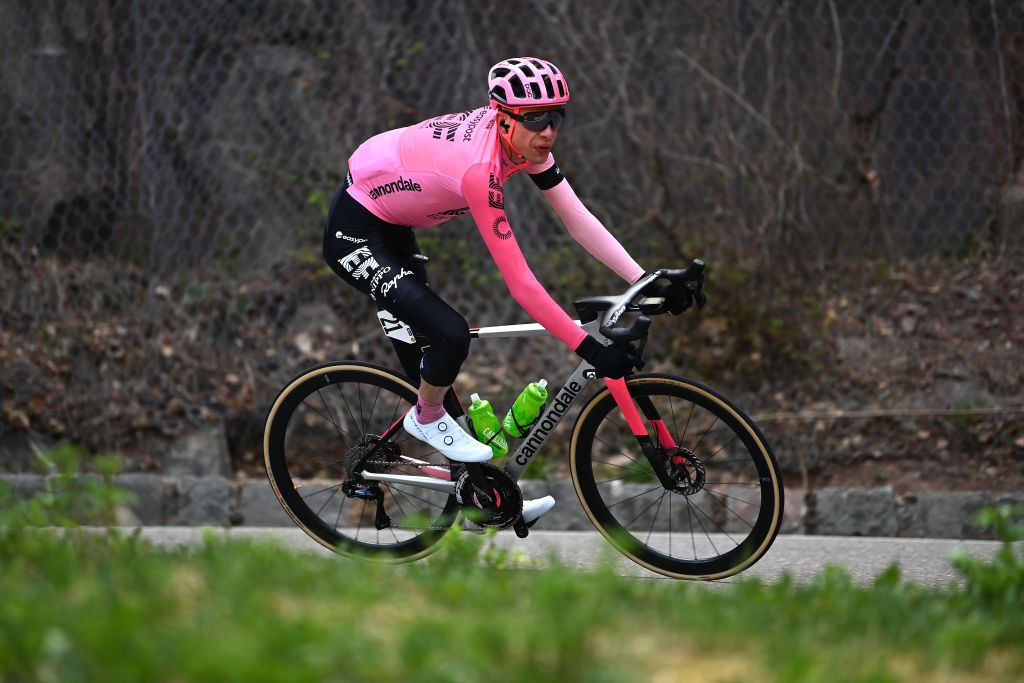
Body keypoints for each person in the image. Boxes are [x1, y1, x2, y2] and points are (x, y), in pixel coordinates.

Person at [324, 57, 661, 524]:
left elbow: (577, 219)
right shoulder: (479, 171)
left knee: (433, 354)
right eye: (537, 119)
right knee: (449, 335)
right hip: (356, 232)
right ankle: (424, 417)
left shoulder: (525, 147)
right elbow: (522, 285)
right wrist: (588, 347)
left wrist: (643, 280)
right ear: (502, 117)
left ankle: (481, 498)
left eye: (556, 117)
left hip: (396, 224)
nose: (548, 131)